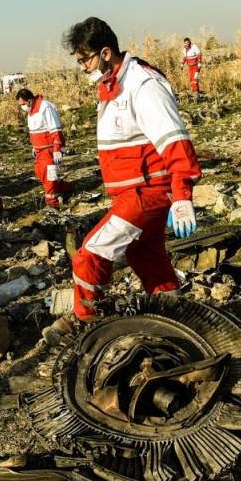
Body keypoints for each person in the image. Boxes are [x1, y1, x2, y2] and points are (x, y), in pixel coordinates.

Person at [57, 17, 202, 328]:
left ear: (106, 53)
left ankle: (90, 329)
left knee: (88, 257)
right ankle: (175, 319)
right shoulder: (113, 85)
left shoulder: (142, 84)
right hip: (132, 193)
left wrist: (182, 196)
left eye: (85, 59)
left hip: (145, 195)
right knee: (147, 259)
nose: (82, 67)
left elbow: (175, 141)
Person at [15, 88, 73, 210]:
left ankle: (52, 203)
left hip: (50, 149)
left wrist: (57, 149)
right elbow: (34, 131)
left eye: (23, 104)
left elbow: (55, 129)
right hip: (39, 150)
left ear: (29, 100)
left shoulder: (45, 107)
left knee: (49, 176)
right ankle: (65, 187)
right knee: (40, 173)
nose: (22, 107)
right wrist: (34, 147)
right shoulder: (31, 111)